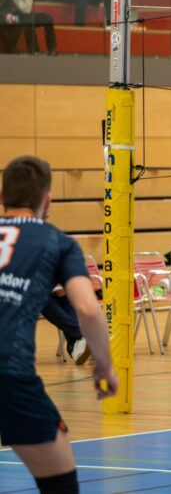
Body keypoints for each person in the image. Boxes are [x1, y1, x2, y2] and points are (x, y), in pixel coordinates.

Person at [0, 155, 117, 492]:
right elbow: (89, 310)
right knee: (60, 483)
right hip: (10, 370)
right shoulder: (57, 242)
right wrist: (105, 367)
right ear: (47, 201)